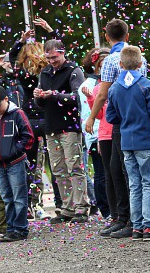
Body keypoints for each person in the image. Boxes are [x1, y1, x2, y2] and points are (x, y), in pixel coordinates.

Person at [86, 19, 146, 239]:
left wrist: (92, 117)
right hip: (138, 119)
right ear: (127, 35)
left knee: (121, 170)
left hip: (119, 121)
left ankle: (129, 218)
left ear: (107, 36)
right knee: (123, 169)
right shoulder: (141, 57)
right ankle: (126, 217)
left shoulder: (112, 60)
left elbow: (103, 93)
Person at [106, 45, 150, 241]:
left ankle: (137, 225)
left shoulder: (114, 87)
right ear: (141, 64)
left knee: (134, 184)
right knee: (148, 182)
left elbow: (111, 116)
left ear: (121, 64)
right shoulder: (146, 84)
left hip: (125, 140)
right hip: (144, 139)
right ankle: (149, 226)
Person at [34, 39, 89, 224]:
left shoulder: (74, 71)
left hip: (70, 127)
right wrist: (39, 97)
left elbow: (78, 97)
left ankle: (82, 206)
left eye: (55, 57)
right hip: (51, 126)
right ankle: (67, 207)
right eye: (48, 58)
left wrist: (56, 95)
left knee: (74, 166)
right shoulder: (45, 73)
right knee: (58, 169)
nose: (52, 61)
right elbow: (41, 105)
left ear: (62, 52)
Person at [9, 21, 60, 219]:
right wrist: (50, 32)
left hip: (29, 119)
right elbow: (58, 52)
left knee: (30, 164)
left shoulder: (22, 73)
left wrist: (20, 41)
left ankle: (31, 203)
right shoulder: (48, 70)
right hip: (47, 116)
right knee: (55, 163)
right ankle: (60, 202)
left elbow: (12, 57)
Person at [0, 85, 35, 242]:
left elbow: (28, 136)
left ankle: (20, 228)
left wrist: (14, 151)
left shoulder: (18, 114)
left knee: (19, 197)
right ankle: (10, 228)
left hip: (15, 163)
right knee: (6, 197)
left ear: (6, 99)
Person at [80, 48, 111, 218]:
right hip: (97, 136)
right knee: (101, 173)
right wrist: (96, 137)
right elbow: (90, 115)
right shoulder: (88, 86)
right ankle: (105, 208)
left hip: (110, 133)